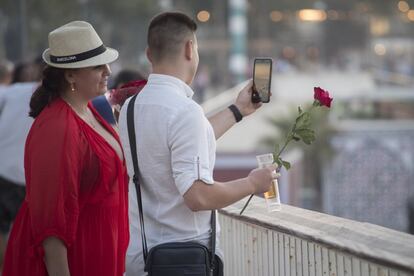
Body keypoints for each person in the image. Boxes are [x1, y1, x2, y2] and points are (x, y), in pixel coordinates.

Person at [118, 12, 277, 276]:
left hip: (140, 257)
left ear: (149, 54)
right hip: (183, 261)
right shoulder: (184, 111)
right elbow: (198, 196)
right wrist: (252, 183)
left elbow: (185, 142)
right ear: (190, 49)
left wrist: (238, 110)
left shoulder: (131, 107)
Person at [2, 21, 129, 276]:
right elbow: (51, 227)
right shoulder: (58, 127)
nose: (108, 71)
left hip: (99, 251)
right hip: (77, 258)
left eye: (106, 63)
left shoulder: (88, 109)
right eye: (97, 66)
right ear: (70, 74)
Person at [0, 82, 37, 273]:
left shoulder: (13, 91)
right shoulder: (54, 99)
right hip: (29, 176)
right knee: (28, 235)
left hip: (3, 169)